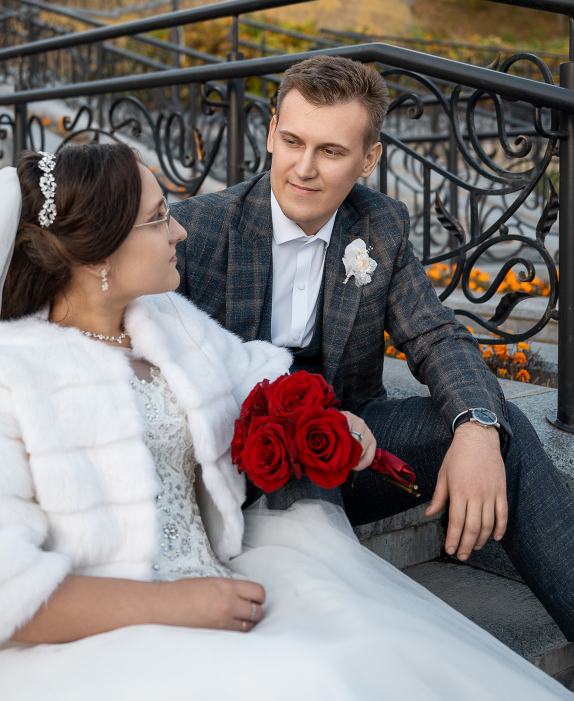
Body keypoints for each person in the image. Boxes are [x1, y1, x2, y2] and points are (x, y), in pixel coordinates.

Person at [0, 141, 573, 701]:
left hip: (220, 581)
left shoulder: (166, 322)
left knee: (377, 656)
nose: (181, 234)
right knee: (308, 690)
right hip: (85, 642)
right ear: (100, 250)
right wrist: (175, 606)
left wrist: (334, 425)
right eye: (159, 218)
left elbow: (260, 376)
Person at [174, 54, 574, 642]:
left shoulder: (377, 225)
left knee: (503, 428)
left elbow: (435, 333)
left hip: (348, 443)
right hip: (238, 458)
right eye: (291, 141)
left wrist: (478, 427)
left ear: (369, 160)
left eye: (331, 152)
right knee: (301, 492)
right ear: (269, 134)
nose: (303, 169)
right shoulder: (199, 230)